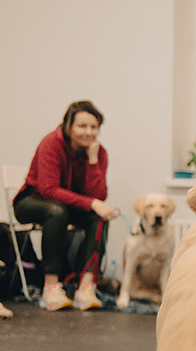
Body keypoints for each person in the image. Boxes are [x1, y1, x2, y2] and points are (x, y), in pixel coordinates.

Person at [12, 100, 119, 311]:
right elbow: (48, 190)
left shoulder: (99, 152)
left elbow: (98, 196)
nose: (89, 132)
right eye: (82, 126)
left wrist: (93, 162)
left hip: (67, 206)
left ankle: (86, 287)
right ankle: (51, 288)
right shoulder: (51, 143)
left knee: (99, 216)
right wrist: (91, 202)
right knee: (57, 211)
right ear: (69, 126)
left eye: (94, 127)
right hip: (32, 201)